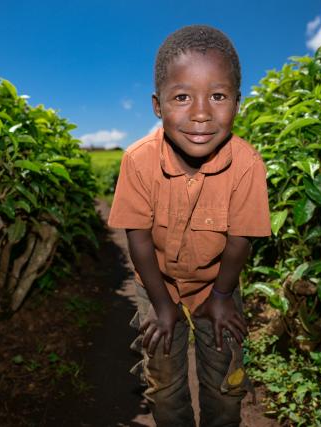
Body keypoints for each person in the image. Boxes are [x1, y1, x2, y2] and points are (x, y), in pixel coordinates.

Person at [108, 25, 270, 427]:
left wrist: (221, 295)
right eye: (182, 97)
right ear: (157, 105)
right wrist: (163, 305)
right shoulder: (137, 161)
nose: (200, 113)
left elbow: (239, 241)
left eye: (218, 96)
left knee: (225, 384)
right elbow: (139, 239)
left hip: (218, 283)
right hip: (156, 282)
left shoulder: (248, 166)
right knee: (164, 383)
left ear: (238, 103)